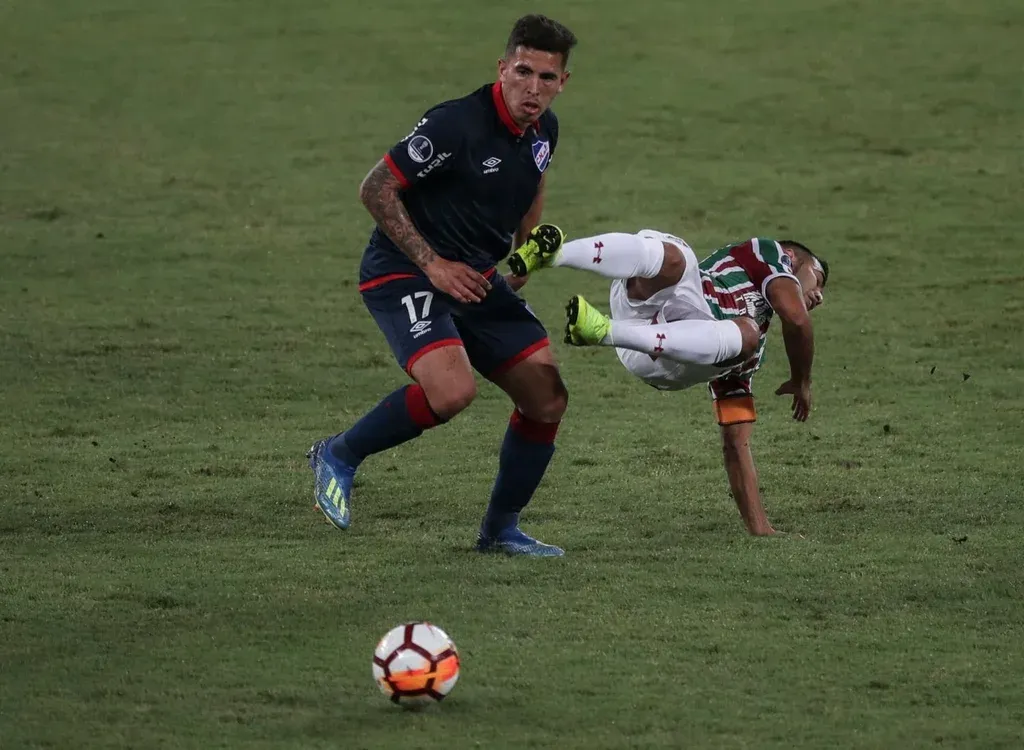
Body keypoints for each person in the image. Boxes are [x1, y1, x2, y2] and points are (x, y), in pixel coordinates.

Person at [307, 15, 579, 557]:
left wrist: (524, 251)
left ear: (562, 83)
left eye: (547, 77)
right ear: (502, 68)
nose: (533, 88)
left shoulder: (543, 129)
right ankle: (338, 454)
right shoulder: (455, 124)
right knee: (452, 391)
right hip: (405, 270)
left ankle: (499, 532)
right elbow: (376, 188)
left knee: (546, 398)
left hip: (474, 277)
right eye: (523, 72)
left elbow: (535, 179)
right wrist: (432, 264)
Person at [509, 225, 829, 535]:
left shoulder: (753, 350)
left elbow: (736, 442)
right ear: (791, 258)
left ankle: (606, 331)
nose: (819, 295)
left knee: (747, 335)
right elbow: (796, 318)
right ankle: (554, 255)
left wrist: (760, 528)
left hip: (662, 360)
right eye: (818, 279)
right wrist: (801, 381)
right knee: (677, 256)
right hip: (645, 313)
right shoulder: (766, 252)